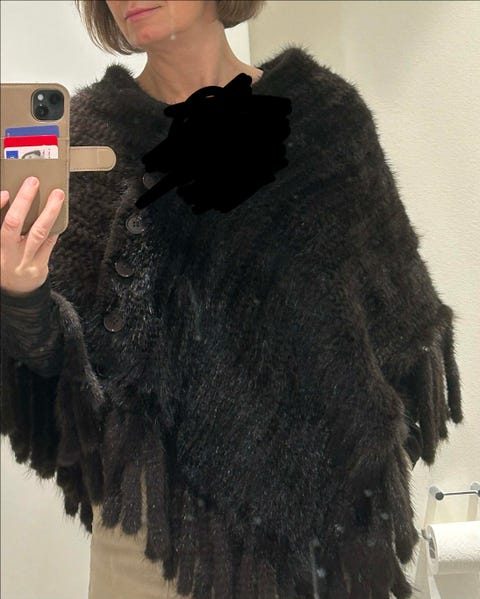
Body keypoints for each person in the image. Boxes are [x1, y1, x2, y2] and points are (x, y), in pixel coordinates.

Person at [0, 2, 462, 599]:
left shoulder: (321, 119)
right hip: (159, 549)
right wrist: (21, 293)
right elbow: (67, 391)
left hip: (321, 541)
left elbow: (391, 324)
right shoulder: (89, 137)